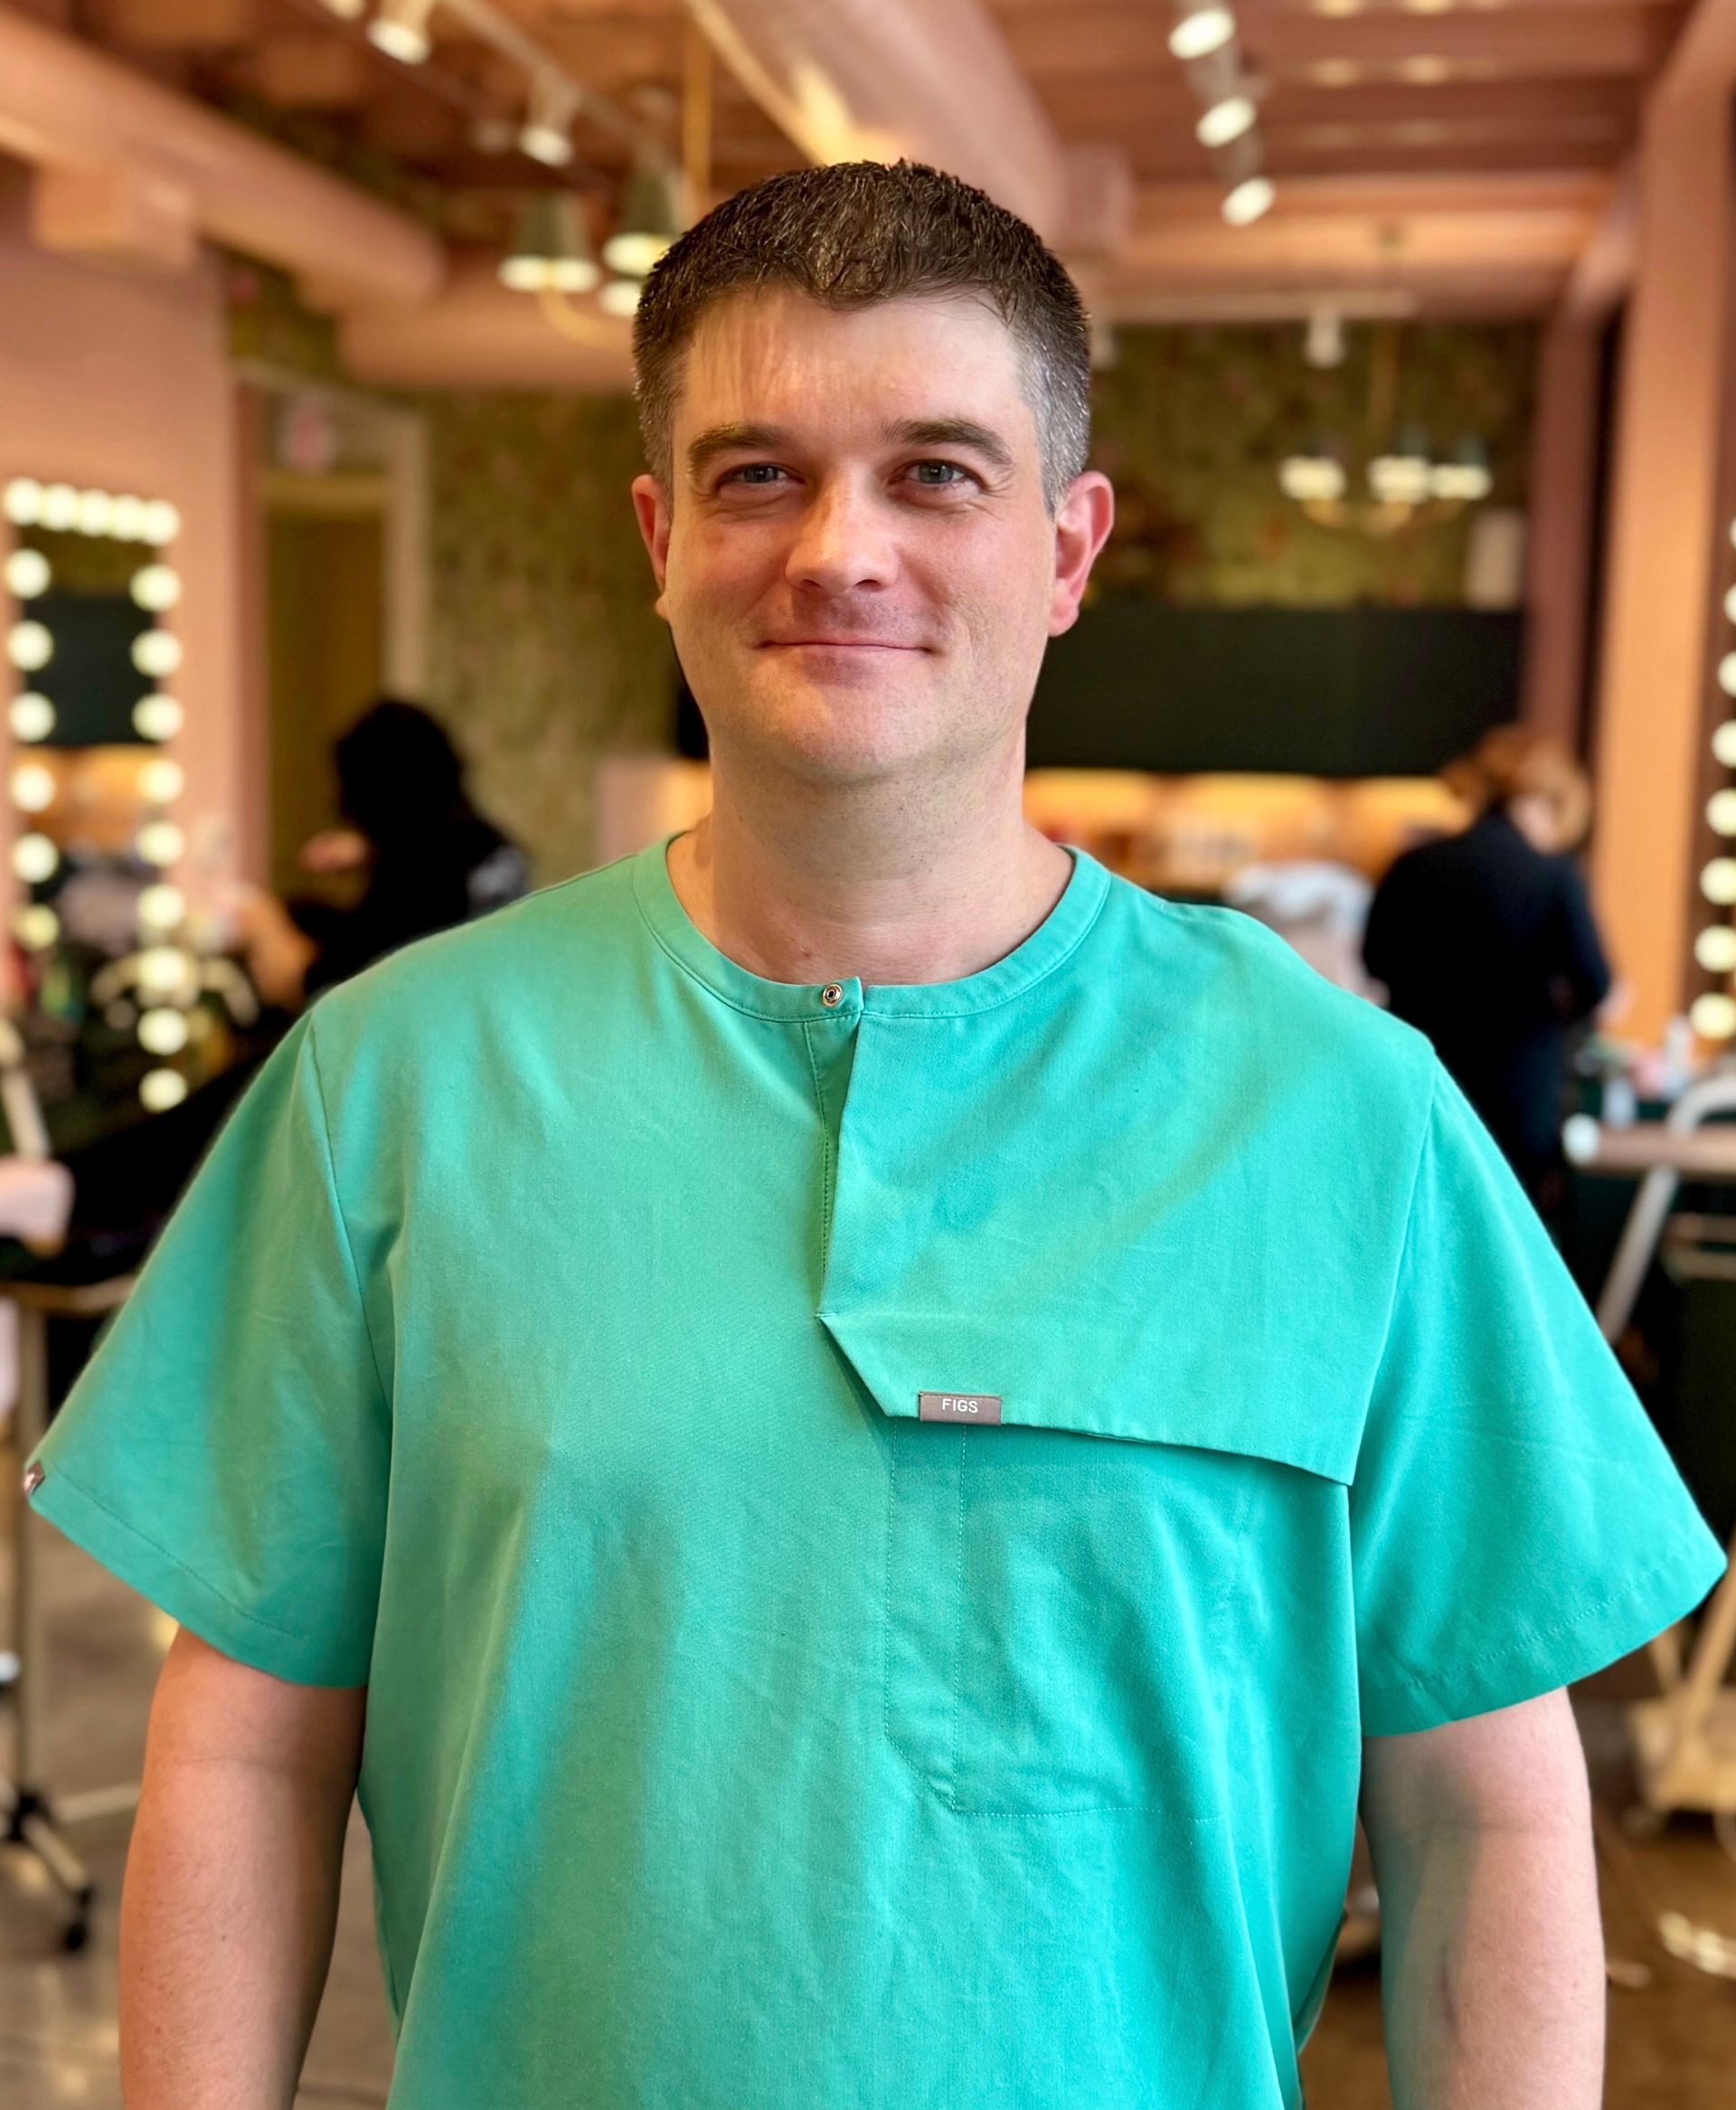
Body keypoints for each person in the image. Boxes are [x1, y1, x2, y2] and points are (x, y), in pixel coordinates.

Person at [24, 165, 1722, 2110]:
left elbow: (1484, 1813)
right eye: (759, 474)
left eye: (938, 471)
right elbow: (247, 1742)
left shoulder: (1344, 1118)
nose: (841, 548)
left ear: (1068, 547)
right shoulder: (397, 1079)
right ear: (660, 539)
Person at [1362, 724, 1618, 1208]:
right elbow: (1596, 983)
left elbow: (1375, 960)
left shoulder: (1414, 866)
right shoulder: (1553, 876)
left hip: (1425, 1077)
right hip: (1521, 1090)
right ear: (1546, 799)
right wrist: (1552, 1012)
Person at [231, 698, 531, 1007]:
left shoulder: (416, 877)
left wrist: (263, 917)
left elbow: (310, 986)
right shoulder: (490, 845)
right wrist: (365, 851)